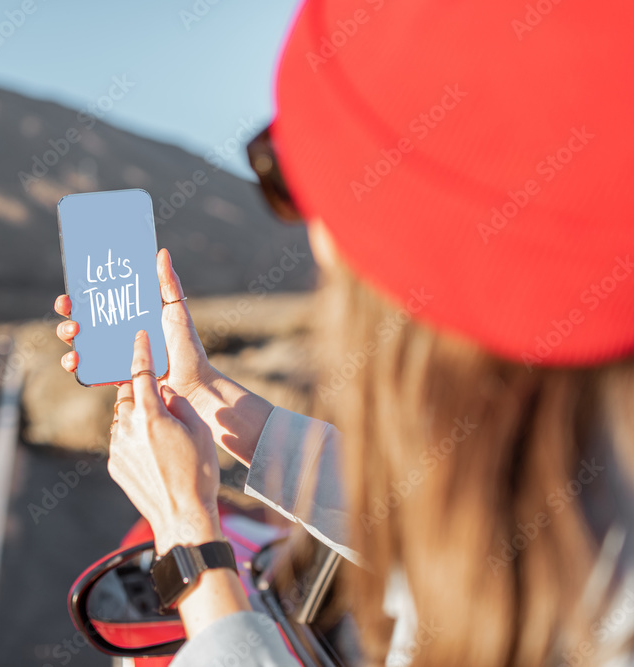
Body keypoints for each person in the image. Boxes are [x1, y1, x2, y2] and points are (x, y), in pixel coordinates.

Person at [55, 0, 634, 664]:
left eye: (297, 175)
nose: (314, 233)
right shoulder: (581, 467)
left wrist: (191, 543)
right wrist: (208, 396)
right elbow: (431, 504)